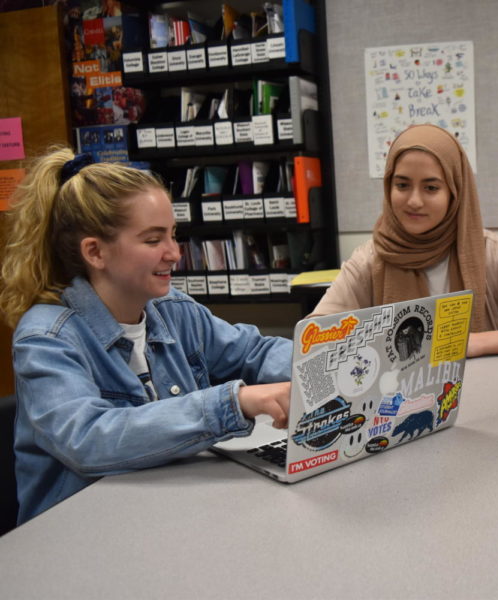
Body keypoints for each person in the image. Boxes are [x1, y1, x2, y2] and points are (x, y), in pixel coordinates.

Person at [0, 148, 293, 524]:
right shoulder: (46, 337)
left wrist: (326, 360)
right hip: (81, 532)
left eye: (173, 235)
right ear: (95, 252)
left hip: (164, 516)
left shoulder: (174, 309)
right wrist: (233, 402)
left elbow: (253, 352)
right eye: (153, 240)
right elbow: (90, 440)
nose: (174, 253)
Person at [311, 124, 498, 356]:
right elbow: (314, 339)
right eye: (402, 185)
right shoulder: (370, 261)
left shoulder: (496, 258)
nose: (413, 201)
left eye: (431, 187)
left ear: (455, 192)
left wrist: (485, 342)